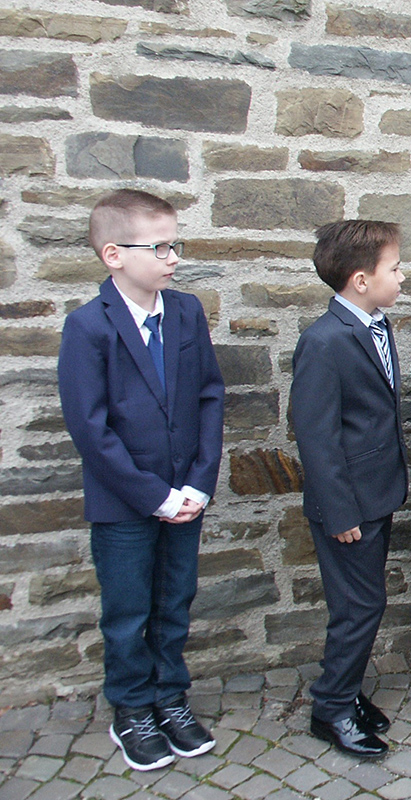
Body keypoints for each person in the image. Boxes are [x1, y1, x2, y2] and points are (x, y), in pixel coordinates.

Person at [59, 189, 224, 771]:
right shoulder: (88, 327)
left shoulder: (184, 311)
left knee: (174, 602)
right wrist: (152, 495)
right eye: (159, 246)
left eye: (174, 244)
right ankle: (131, 708)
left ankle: (169, 697)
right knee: (128, 611)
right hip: (125, 503)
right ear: (113, 255)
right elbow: (90, 427)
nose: (172, 256)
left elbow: (208, 395)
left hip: (187, 495)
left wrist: (199, 483)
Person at [292, 220, 409, 759]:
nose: (403, 276)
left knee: (365, 601)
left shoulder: (376, 326)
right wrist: (340, 512)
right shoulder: (323, 341)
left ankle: (347, 691)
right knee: (359, 605)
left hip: (376, 494)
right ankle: (331, 707)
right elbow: (317, 438)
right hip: (347, 505)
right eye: (395, 268)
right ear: (360, 280)